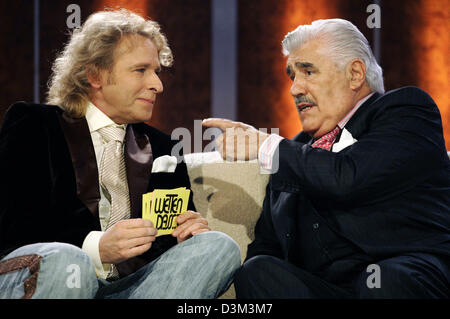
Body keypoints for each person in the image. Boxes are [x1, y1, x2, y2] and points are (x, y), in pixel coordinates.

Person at [0, 9, 240, 299]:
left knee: (219, 246)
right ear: (95, 74)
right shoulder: (35, 125)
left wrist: (185, 236)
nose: (157, 85)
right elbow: (16, 226)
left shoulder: (165, 147)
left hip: (132, 290)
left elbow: (162, 248)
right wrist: (97, 249)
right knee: (67, 260)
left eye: (156, 72)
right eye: (141, 70)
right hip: (57, 275)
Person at [202, 18, 449, 298]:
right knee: (258, 271)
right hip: (325, 290)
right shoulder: (292, 150)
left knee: (385, 282)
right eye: (292, 76)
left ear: (355, 74)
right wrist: (205, 248)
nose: (295, 88)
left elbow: (348, 176)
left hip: (402, 275)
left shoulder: (405, 111)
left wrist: (266, 145)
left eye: (308, 71)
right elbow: (266, 248)